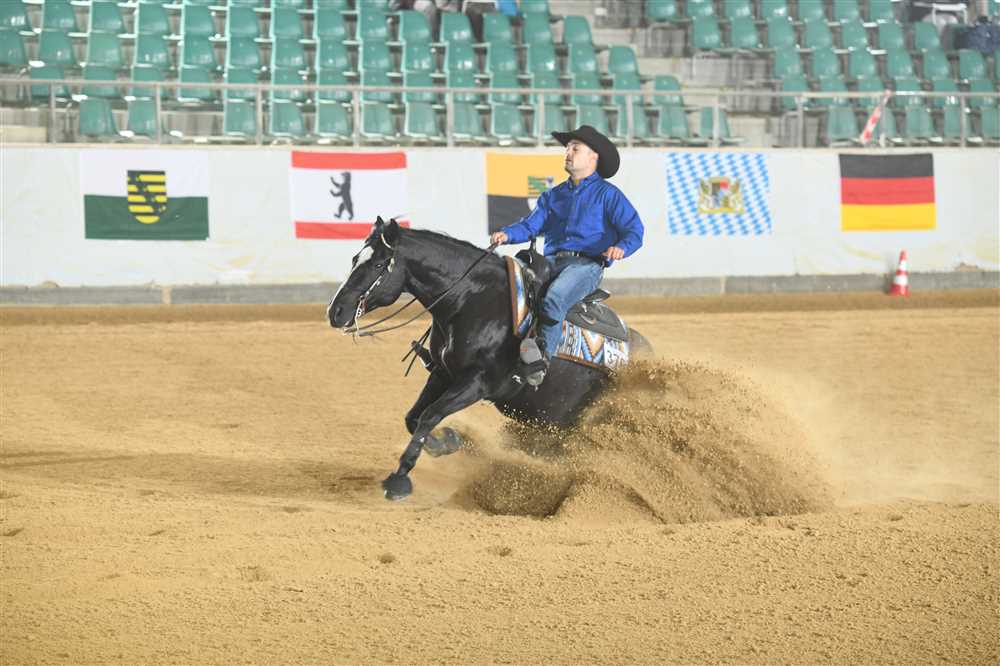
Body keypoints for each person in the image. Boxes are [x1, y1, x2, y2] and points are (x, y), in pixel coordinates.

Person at [490, 125, 644, 385]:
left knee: (554, 299)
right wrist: (507, 234)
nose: (568, 153)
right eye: (567, 148)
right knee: (507, 290)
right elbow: (530, 226)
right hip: (550, 263)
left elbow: (634, 230)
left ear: (593, 157)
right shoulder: (553, 195)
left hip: (586, 266)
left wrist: (621, 247)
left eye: (575, 148)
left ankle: (540, 364)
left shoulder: (609, 195)